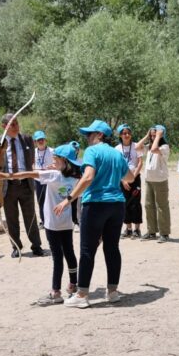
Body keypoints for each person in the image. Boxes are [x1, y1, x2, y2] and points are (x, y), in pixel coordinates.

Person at [57, 119, 134, 308]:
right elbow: (130, 177)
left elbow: (88, 177)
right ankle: (113, 292)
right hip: (117, 206)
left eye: (90, 133)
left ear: (99, 135)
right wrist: (114, 175)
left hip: (95, 205)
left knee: (87, 250)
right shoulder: (117, 154)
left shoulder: (92, 151)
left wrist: (69, 199)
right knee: (112, 248)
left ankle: (82, 295)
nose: (87, 137)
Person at [0, 144, 80, 305]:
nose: (53, 161)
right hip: (67, 222)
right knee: (69, 252)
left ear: (63, 161)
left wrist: (5, 175)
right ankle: (73, 285)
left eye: (56, 159)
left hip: (52, 223)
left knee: (57, 257)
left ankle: (55, 292)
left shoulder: (53, 175)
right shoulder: (76, 178)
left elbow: (27, 173)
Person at [0, 113, 43, 257]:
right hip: (8, 186)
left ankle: (36, 245)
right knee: (11, 218)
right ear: (4, 126)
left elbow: (30, 159)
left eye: (17, 123)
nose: (16, 127)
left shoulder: (26, 139)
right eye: (12, 124)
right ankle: (16, 246)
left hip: (26, 184)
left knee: (30, 216)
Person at [136, 125, 171, 242]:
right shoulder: (150, 145)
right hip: (149, 180)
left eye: (154, 135)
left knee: (162, 207)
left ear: (160, 135)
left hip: (160, 180)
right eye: (151, 135)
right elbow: (137, 147)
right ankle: (152, 231)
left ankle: (164, 233)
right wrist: (147, 135)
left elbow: (154, 149)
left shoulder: (164, 147)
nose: (152, 137)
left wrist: (158, 136)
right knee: (148, 205)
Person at [115, 124, 144, 239]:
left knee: (136, 203)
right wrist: (123, 180)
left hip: (135, 178)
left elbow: (140, 163)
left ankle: (137, 229)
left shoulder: (136, 146)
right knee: (124, 203)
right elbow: (116, 166)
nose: (126, 135)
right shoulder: (117, 149)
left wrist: (133, 177)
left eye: (128, 133)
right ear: (120, 135)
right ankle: (128, 229)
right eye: (124, 133)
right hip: (122, 179)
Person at [32, 130, 54, 229]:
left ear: (45, 140)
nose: (41, 141)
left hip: (50, 179)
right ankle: (43, 220)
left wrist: (52, 167)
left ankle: (52, 220)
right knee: (40, 201)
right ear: (35, 142)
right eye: (38, 140)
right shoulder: (33, 152)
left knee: (51, 200)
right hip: (38, 180)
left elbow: (57, 163)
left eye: (42, 139)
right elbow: (31, 164)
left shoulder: (52, 151)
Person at [69, 141, 81, 229]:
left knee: (76, 206)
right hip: (67, 186)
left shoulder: (81, 161)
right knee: (68, 204)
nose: (74, 151)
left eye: (76, 149)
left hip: (78, 186)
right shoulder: (66, 161)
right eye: (72, 149)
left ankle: (76, 221)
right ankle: (71, 221)